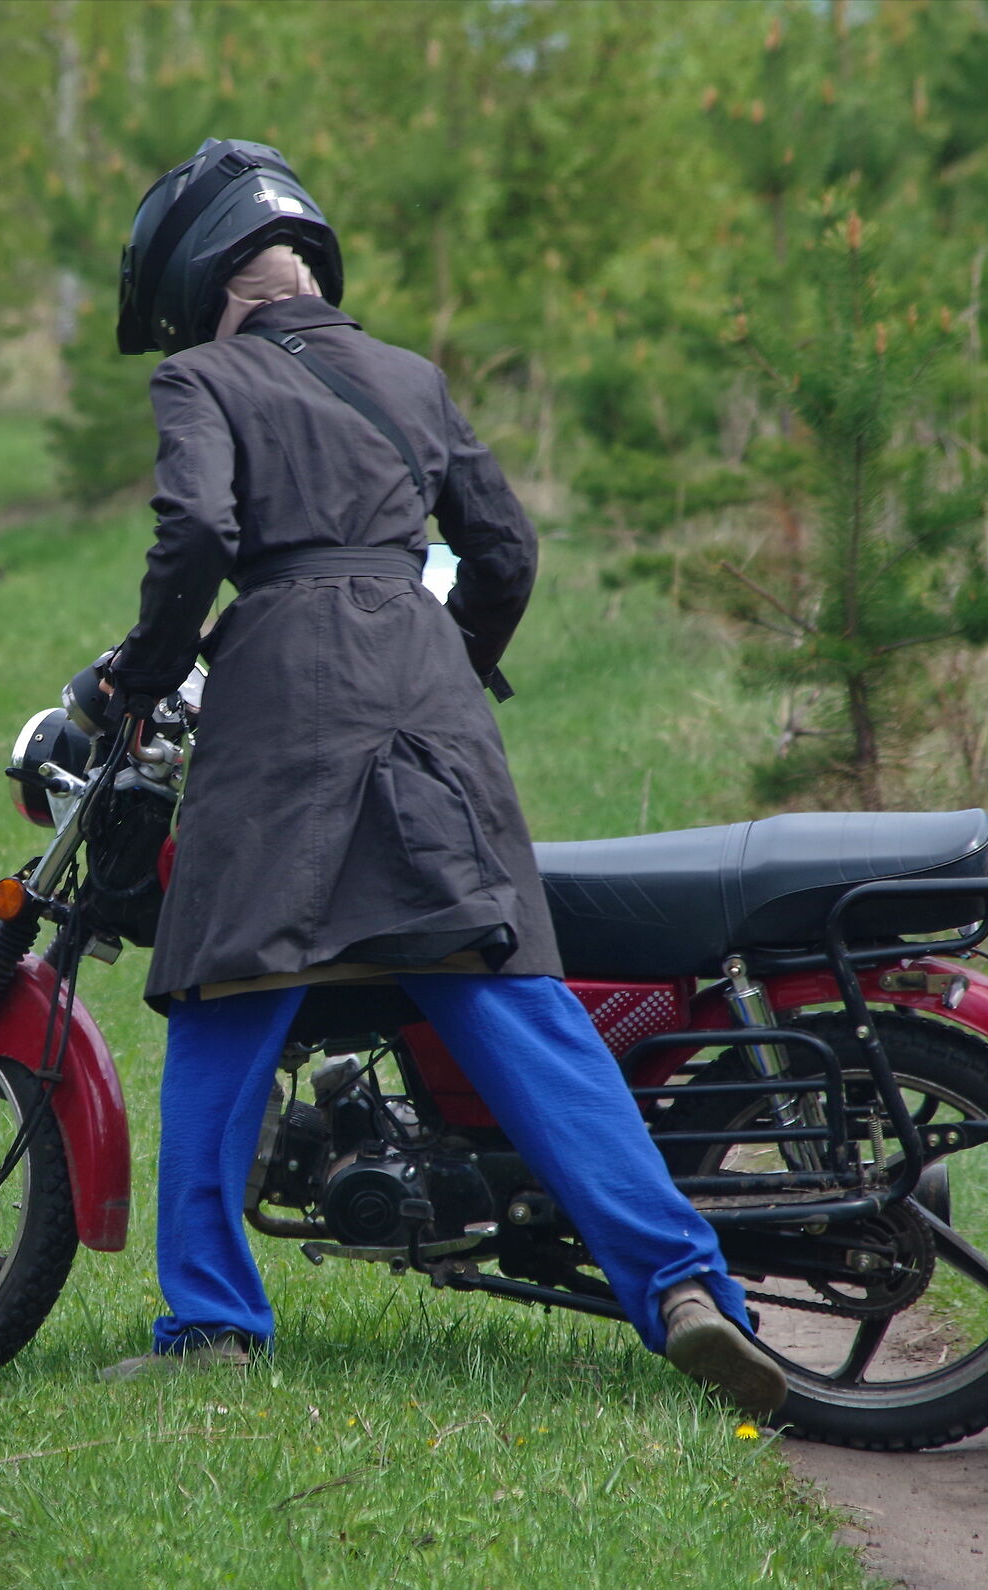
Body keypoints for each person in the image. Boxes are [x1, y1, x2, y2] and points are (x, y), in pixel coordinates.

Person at [94, 139, 786, 1419]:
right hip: (429, 702)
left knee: (225, 997)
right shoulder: (411, 377)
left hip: (282, 702)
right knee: (511, 1001)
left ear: (203, 279)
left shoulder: (204, 377)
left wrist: (142, 673)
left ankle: (213, 1320)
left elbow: (198, 532)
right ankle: (687, 1288)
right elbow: (506, 550)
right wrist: (443, 669)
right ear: (306, 259)